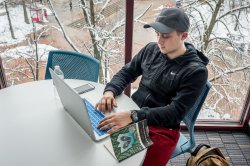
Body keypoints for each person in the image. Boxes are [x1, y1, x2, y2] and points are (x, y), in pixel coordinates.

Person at [96, 8, 208, 166]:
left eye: (166, 36)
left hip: (162, 130)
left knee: (122, 159)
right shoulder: (151, 50)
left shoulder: (196, 72)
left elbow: (175, 113)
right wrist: (110, 92)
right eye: (157, 34)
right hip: (134, 113)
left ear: (183, 35)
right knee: (101, 145)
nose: (159, 41)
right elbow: (127, 72)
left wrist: (134, 116)